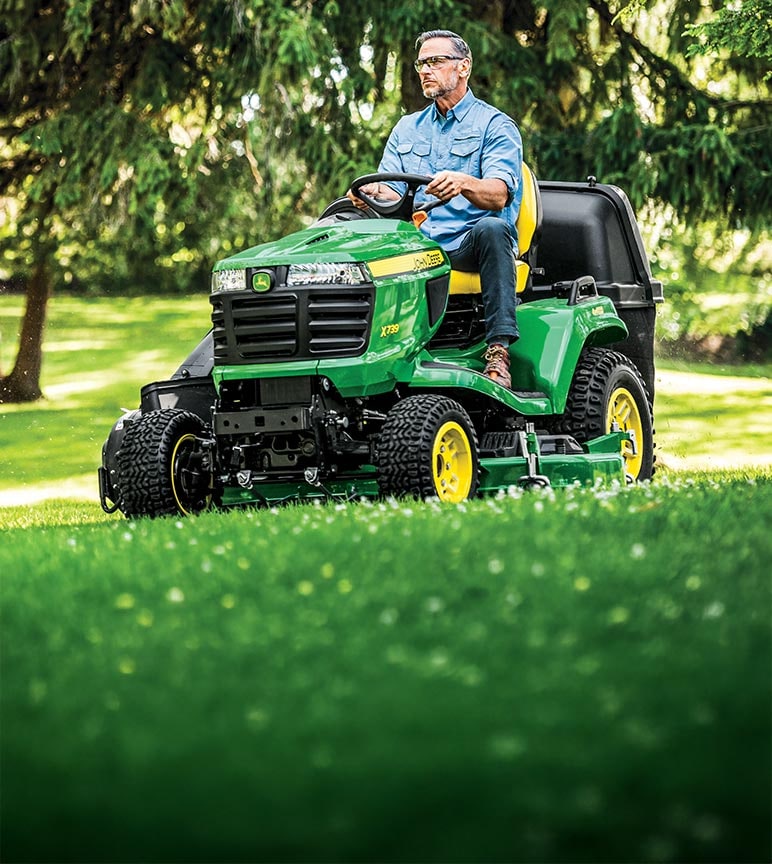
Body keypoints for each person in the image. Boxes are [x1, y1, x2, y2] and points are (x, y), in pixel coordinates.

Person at [348, 29, 523, 388]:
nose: (426, 70)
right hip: (419, 245)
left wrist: (465, 182)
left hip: (467, 246)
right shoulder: (406, 129)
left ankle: (498, 352)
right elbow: (391, 195)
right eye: (421, 64)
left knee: (494, 228)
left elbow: (499, 194)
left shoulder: (493, 125)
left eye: (436, 61)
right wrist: (371, 191)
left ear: (464, 68)